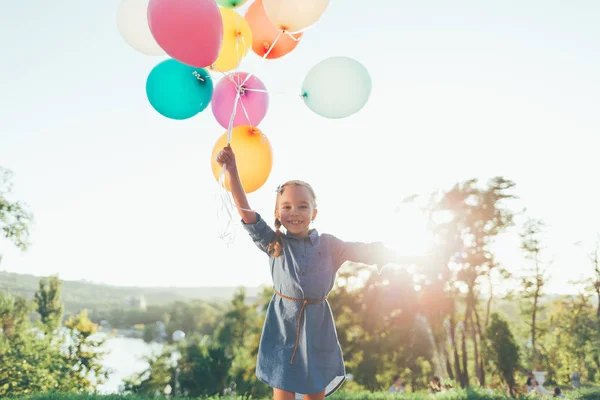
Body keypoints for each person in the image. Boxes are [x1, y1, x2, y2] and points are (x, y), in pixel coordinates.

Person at [216, 144, 423, 400]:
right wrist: (233, 171)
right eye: (287, 207)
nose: (294, 212)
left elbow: (369, 251)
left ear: (314, 213)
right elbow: (246, 211)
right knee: (283, 393)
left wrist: (410, 256)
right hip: (283, 328)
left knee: (315, 394)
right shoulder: (274, 243)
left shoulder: (330, 245)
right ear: (278, 214)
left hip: (317, 328)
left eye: (302, 206)